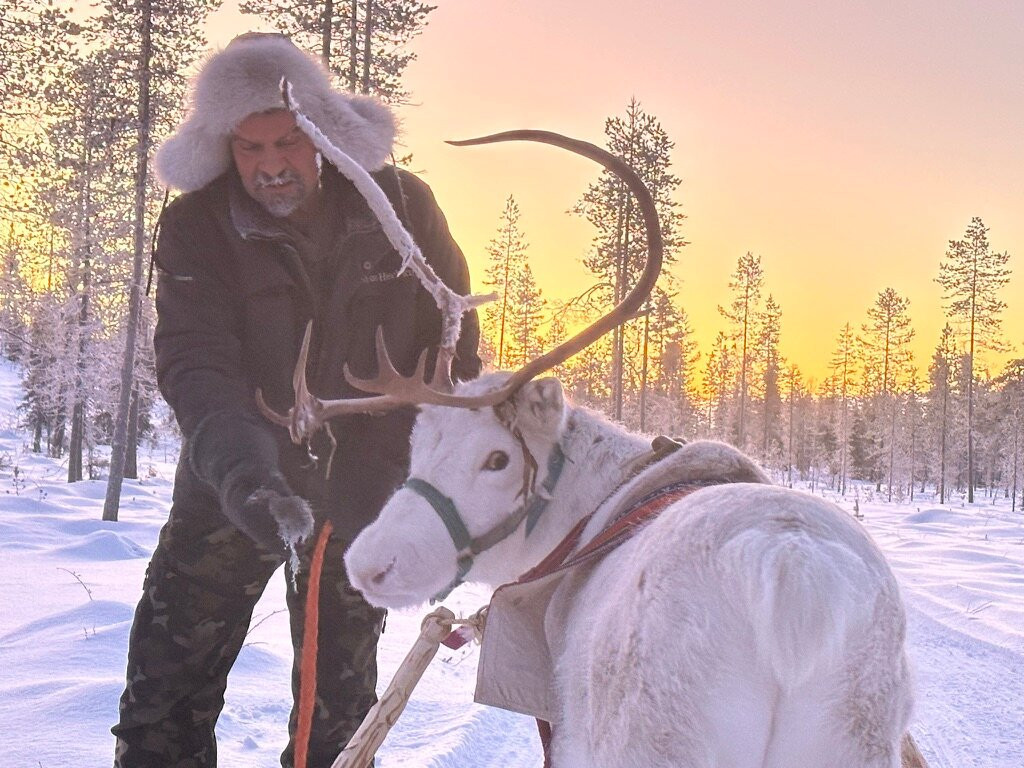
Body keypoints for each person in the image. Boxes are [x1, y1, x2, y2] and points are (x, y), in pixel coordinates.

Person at [112, 32, 481, 768]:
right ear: (224, 148)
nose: (271, 165)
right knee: (164, 697)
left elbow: (454, 348)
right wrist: (244, 473)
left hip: (362, 492)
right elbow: (195, 362)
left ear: (320, 132)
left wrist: (408, 484)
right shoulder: (197, 225)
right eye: (249, 149)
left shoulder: (403, 206)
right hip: (235, 484)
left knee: (337, 720)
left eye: (286, 141)